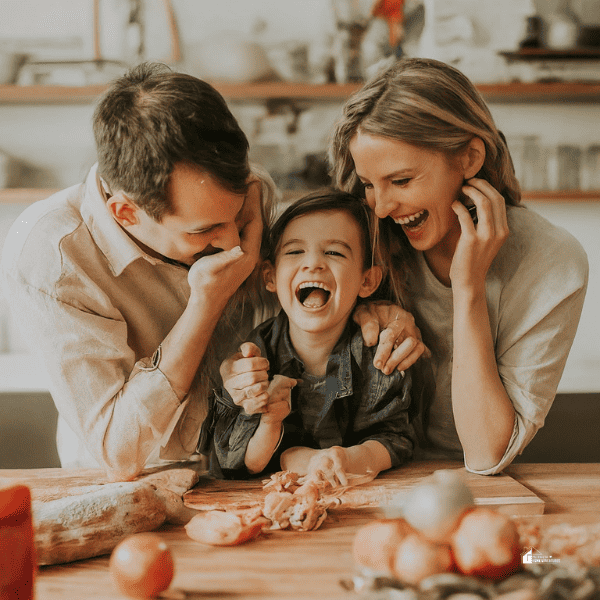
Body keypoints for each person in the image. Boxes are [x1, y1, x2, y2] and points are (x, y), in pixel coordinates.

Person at [0, 63, 423, 481]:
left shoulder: (234, 191)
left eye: (237, 217)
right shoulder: (51, 256)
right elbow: (119, 451)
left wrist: (369, 311)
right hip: (137, 482)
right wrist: (206, 304)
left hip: (245, 471)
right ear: (126, 213)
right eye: (204, 231)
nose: (231, 243)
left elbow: (294, 298)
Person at [329, 57, 589, 475]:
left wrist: (468, 288)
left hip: (470, 487)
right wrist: (354, 313)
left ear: (468, 158)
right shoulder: (364, 238)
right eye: (368, 184)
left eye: (401, 181)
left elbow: (487, 453)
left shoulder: (552, 262)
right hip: (357, 474)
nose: (381, 208)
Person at [199, 190, 417, 482]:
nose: (313, 263)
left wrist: (349, 457)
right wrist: (271, 424)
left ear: (367, 281)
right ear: (270, 277)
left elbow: (394, 438)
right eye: (294, 251)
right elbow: (237, 462)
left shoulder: (378, 351)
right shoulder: (254, 358)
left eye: (334, 252)